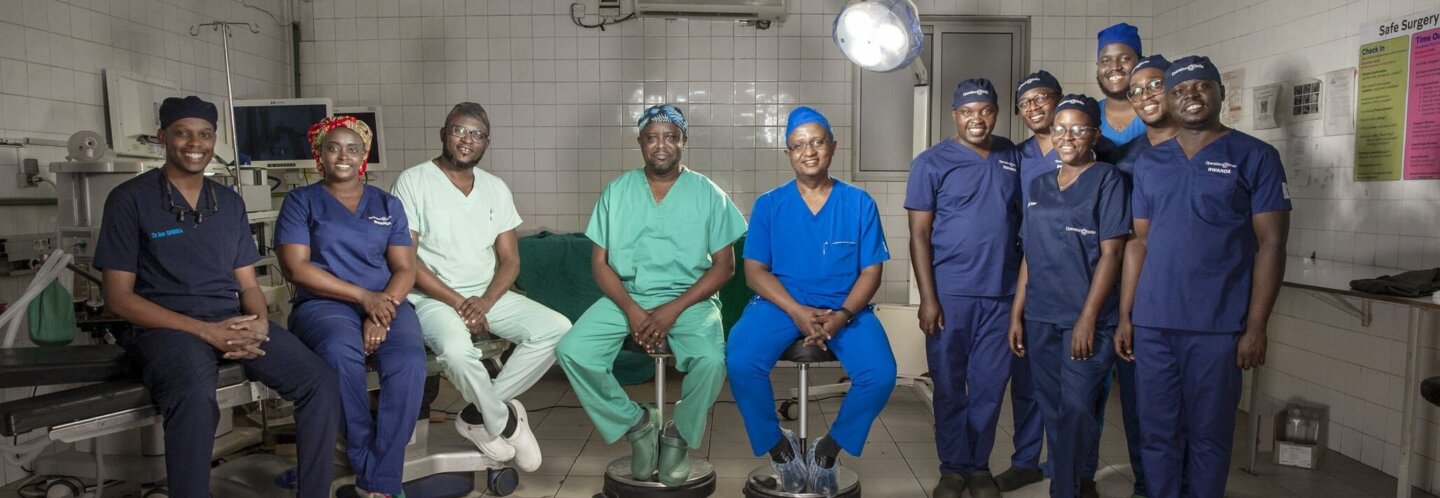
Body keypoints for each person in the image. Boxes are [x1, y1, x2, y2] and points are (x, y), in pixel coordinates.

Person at [95, 96, 340, 498]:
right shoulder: (130, 199)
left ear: (214, 141)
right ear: (163, 138)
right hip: (165, 327)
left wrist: (259, 322)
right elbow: (118, 299)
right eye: (183, 133)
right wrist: (207, 333)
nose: (196, 142)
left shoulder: (227, 203)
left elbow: (247, 285)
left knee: (319, 381)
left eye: (205, 134)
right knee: (194, 398)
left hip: (233, 320)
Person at [1120, 56, 1291, 498]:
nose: (1190, 95)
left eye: (1201, 86)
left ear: (1220, 93)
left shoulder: (1254, 156)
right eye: (1179, 90)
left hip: (1218, 326)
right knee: (1156, 434)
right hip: (1155, 323)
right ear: (1169, 100)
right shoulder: (1152, 163)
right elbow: (1139, 243)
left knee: (1210, 435)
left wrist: (1256, 326)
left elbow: (1271, 244)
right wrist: (1127, 315)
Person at [556, 104, 746, 487]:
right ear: (640, 142)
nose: (662, 145)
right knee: (573, 350)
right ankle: (637, 423)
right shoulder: (618, 191)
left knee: (711, 360)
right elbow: (600, 264)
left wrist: (671, 311)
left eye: (671, 137)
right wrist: (631, 310)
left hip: (689, 298)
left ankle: (677, 436)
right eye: (652, 137)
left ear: (684, 141)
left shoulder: (708, 193)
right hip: (626, 295)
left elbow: (724, 266)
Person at [391, 102, 571, 472]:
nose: (466, 139)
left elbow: (510, 260)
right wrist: (459, 302)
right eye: (459, 130)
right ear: (444, 133)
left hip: (487, 296)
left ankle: (477, 414)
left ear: (487, 142)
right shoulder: (413, 180)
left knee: (558, 329)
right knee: (457, 354)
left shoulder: (495, 188)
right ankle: (504, 420)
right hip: (433, 298)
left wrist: (486, 302)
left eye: (476, 134)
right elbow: (407, 261)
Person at [726, 107, 897, 496]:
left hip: (845, 306)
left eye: (817, 142)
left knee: (881, 375)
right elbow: (755, 272)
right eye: (798, 145)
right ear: (788, 153)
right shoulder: (771, 204)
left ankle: (828, 451)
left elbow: (871, 272)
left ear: (832, 147)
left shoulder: (858, 203)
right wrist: (796, 311)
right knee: (739, 360)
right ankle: (779, 448)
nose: (809, 151)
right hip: (781, 304)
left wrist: (843, 315)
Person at [276, 116, 426, 498]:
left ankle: (382, 475)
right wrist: (364, 299)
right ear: (320, 154)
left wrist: (384, 307)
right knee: (341, 355)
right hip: (324, 305)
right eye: (333, 147)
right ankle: (366, 462)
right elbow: (295, 267)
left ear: (364, 156)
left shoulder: (387, 204)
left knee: (409, 362)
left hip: (387, 301)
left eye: (353, 148)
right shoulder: (301, 201)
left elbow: (406, 267)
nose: (343, 155)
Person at [1007, 95, 1130, 498]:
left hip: (1087, 319)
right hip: (1041, 315)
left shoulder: (1108, 180)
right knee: (1053, 407)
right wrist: (1017, 314)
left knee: (1077, 408)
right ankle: (1071, 483)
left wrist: (1088, 318)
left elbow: (1112, 253)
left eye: (1078, 129)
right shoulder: (1040, 184)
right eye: (1060, 129)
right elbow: (1030, 253)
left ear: (1095, 133)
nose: (1067, 137)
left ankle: (1065, 488)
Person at [906, 78, 1021, 498]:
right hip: (950, 294)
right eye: (968, 111)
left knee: (990, 388)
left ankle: (978, 467)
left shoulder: (1011, 155)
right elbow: (918, 235)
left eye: (986, 110)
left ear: (996, 112)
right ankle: (952, 468)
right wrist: (928, 300)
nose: (978, 119)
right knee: (951, 387)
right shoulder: (931, 162)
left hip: (1001, 295)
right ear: (954, 115)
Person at [1096, 23, 1147, 146]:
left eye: (1125, 59)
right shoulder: (1090, 114)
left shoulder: (1155, 111)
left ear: (1140, 62)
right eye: (1106, 61)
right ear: (1098, 66)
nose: (1114, 67)